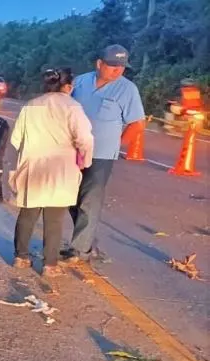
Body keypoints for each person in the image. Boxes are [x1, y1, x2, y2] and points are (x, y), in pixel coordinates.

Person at [62, 45, 146, 264]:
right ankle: (86, 243)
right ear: (99, 64)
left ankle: (79, 250)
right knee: (70, 198)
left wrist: (117, 146)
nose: (117, 71)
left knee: (89, 200)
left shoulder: (127, 90)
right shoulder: (80, 82)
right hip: (74, 150)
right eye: (112, 66)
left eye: (122, 67)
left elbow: (137, 124)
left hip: (102, 155)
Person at [9, 68, 94, 277]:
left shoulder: (31, 106)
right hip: (62, 168)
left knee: (28, 213)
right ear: (68, 86)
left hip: (34, 165)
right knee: (55, 218)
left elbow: (16, 138)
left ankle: (21, 257)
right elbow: (85, 138)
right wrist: (84, 160)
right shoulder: (73, 107)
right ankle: (49, 265)